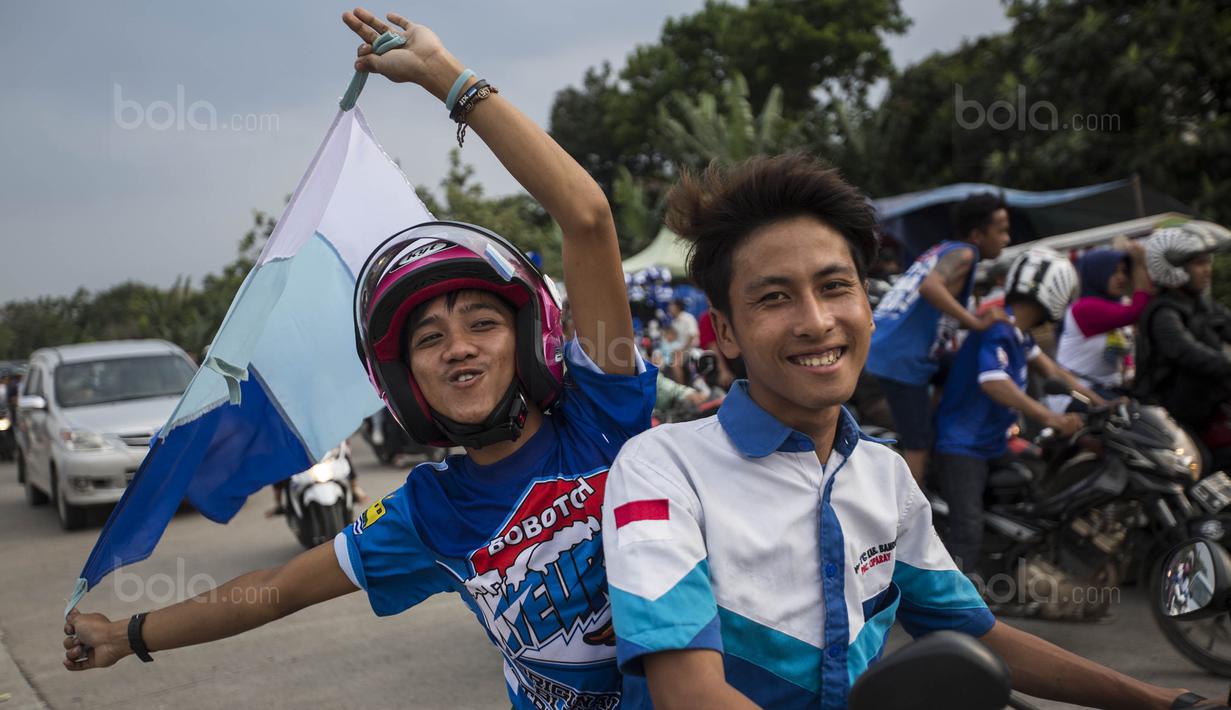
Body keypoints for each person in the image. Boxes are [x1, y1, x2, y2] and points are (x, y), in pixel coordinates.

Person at [62, 11, 658, 710]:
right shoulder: (432, 512)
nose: (457, 346)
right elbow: (278, 591)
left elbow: (585, 216)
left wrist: (446, 77)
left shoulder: (600, 415)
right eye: (428, 339)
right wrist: (129, 635)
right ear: (406, 382)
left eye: (481, 323)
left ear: (528, 340)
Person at [600, 157, 1204, 709]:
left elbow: (972, 632)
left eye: (835, 287)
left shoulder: (883, 474)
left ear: (869, 303)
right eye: (775, 298)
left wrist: (1165, 703)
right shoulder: (662, 466)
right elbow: (688, 692)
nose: (817, 322)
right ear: (726, 333)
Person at [932, 248, 1104, 575]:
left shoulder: (1017, 332)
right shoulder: (998, 329)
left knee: (1034, 495)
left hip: (993, 444)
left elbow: (1054, 372)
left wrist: (1101, 403)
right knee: (968, 531)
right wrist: (1050, 416)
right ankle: (956, 603)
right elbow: (993, 381)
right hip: (962, 447)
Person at [865, 193, 1011, 485]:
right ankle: (908, 520)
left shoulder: (942, 249)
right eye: (1001, 231)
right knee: (917, 443)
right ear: (977, 235)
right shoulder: (966, 254)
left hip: (889, 346)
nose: (1007, 239)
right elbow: (931, 288)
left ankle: (937, 425)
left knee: (959, 368)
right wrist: (977, 323)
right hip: (901, 358)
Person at [1133, 224, 1231, 472]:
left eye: (1208, 262)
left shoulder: (1202, 305)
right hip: (1173, 414)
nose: (1207, 270)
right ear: (1173, 268)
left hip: (1206, 406)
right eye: (1199, 263)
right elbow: (1189, 353)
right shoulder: (1164, 313)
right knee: (1203, 466)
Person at [1046, 241, 1152, 412]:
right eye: (1113, 272)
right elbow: (1138, 311)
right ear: (1097, 273)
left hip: (1109, 389)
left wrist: (1128, 368)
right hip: (1076, 393)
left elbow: (1124, 343)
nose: (1122, 278)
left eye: (1125, 271)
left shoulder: (1120, 304)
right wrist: (1140, 264)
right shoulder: (1084, 308)